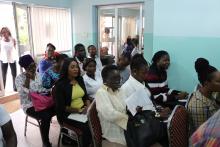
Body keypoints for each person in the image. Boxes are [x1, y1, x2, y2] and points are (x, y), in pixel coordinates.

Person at [121, 54, 169, 147]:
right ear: (134, 71)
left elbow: (150, 103)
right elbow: (137, 114)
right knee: (169, 130)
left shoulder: (142, 82)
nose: (147, 76)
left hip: (152, 117)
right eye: (144, 73)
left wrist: (159, 109)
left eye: (148, 72)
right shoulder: (127, 88)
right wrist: (158, 115)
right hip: (141, 125)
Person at [15, 55, 54, 147]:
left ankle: (65, 135)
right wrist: (28, 79)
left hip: (43, 102)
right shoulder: (19, 78)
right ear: (24, 68)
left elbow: (44, 88)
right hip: (29, 105)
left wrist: (50, 90)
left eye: (34, 65)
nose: (33, 68)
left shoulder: (38, 75)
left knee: (59, 107)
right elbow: (23, 94)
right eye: (30, 67)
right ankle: (45, 142)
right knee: (46, 116)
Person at [54, 58, 91, 147]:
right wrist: (79, 110)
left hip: (83, 110)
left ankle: (93, 141)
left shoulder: (80, 79)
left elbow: (85, 96)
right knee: (87, 127)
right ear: (66, 69)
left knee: (97, 118)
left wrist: (88, 107)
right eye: (72, 67)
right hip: (67, 114)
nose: (76, 69)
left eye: (77, 67)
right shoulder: (60, 85)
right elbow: (62, 107)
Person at [95, 65, 128, 147]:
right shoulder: (101, 93)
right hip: (113, 133)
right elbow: (110, 114)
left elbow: (126, 105)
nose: (118, 81)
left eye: (119, 78)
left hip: (125, 127)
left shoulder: (120, 90)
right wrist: (128, 119)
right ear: (104, 80)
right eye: (114, 78)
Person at [187, 58, 220, 133]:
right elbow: (202, 135)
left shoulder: (212, 94)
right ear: (206, 83)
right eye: (218, 81)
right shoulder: (198, 105)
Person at [0, 27, 17, 91]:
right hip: (4, 59)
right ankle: (2, 89)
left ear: (8, 32)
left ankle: (15, 88)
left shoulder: (12, 39)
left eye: (5, 32)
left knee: (14, 74)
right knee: (3, 75)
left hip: (12, 58)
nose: (4, 34)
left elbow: (14, 49)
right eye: (2, 32)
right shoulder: (1, 40)